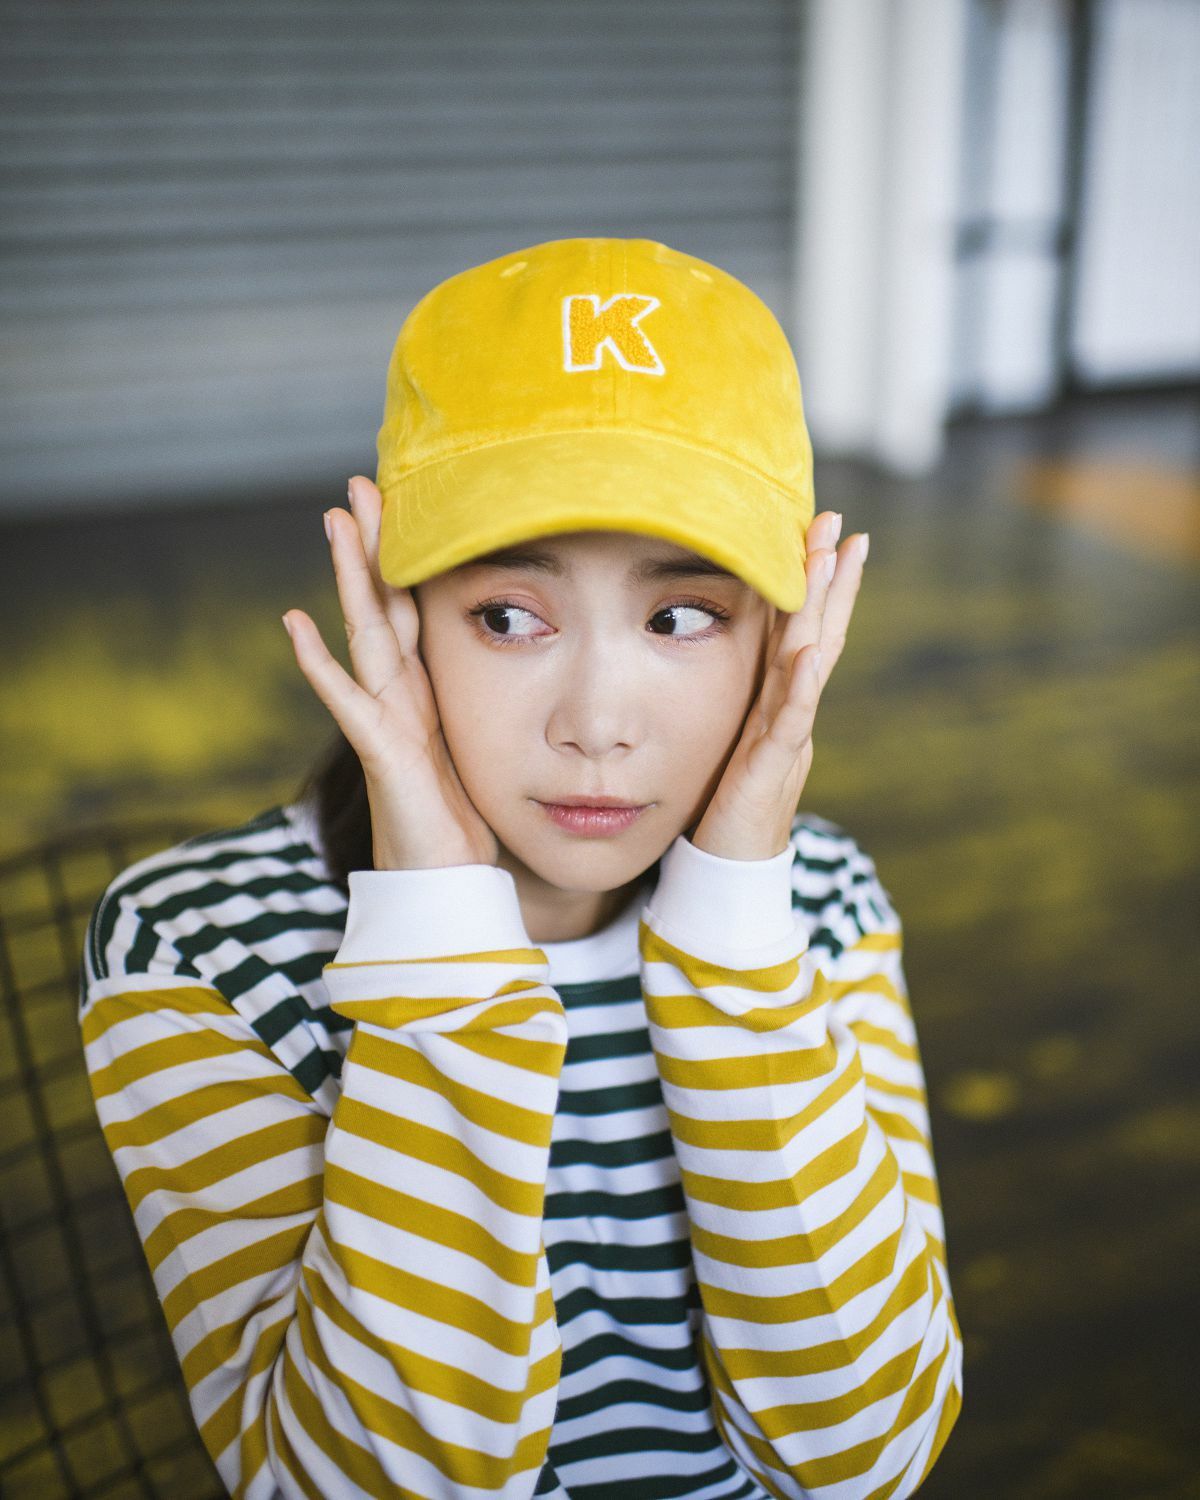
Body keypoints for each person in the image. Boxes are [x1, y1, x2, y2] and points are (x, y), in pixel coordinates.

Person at [80, 236, 963, 1499]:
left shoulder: (819, 908)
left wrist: (735, 948)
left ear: (785, 628)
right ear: (397, 608)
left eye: (682, 616)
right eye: (508, 617)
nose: (597, 723)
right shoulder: (197, 945)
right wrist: (440, 943)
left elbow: (862, 1458)